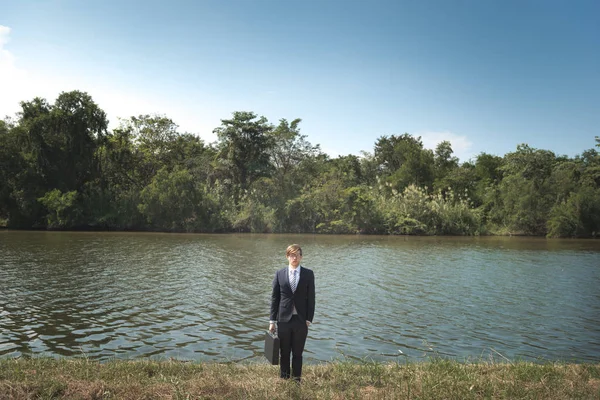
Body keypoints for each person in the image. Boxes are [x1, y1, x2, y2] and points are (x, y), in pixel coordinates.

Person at [269, 244, 315, 381]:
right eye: (291, 255)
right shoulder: (279, 274)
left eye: (297, 255)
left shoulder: (308, 274)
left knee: (297, 353)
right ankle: (284, 380)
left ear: (301, 257)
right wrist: (272, 321)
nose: (294, 258)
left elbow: (311, 298)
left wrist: (309, 319)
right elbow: (275, 298)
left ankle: (296, 381)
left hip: (301, 320)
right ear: (287, 256)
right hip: (283, 320)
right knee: (284, 353)